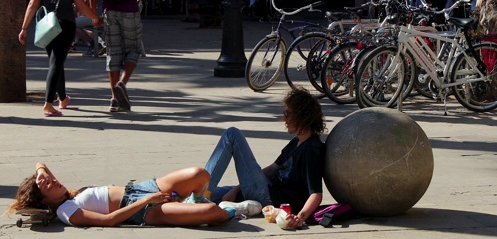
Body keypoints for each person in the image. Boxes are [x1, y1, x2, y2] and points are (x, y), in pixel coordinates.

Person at [203, 88, 326, 229]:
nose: (283, 119)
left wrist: (299, 218)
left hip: (270, 197)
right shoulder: (296, 142)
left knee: (232, 135)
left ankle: (200, 195)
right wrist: (237, 188)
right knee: (209, 195)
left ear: (302, 116)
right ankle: (194, 197)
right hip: (263, 188)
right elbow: (272, 169)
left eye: (287, 114)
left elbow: (316, 194)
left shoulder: (312, 149)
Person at [4, 162, 261, 227]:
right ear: (44, 201)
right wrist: (146, 202)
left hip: (142, 188)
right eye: (48, 185)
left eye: (50, 179)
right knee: (213, 214)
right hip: (144, 210)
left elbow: (41, 162)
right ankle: (232, 209)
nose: (54, 180)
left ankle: (193, 202)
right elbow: (109, 221)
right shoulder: (65, 212)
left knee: (200, 174)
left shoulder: (64, 196)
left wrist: (40, 173)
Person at [18, 0, 102, 117]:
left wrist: (24, 27)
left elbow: (33, 4)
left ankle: (62, 98)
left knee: (56, 61)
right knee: (56, 63)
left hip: (47, 26)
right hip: (65, 25)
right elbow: (80, 5)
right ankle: (48, 104)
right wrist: (95, 17)